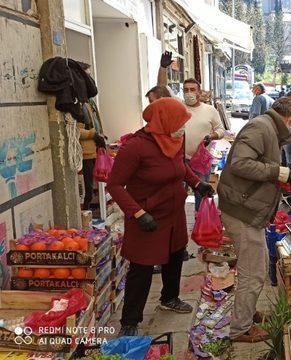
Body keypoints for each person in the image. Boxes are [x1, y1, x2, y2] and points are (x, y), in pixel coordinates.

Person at [106, 98, 214, 336]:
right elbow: (114, 185)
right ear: (163, 121)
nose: (182, 128)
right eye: (179, 122)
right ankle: (130, 321)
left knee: (175, 256)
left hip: (173, 212)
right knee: (142, 268)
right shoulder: (135, 147)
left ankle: (170, 298)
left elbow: (180, 165)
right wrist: (137, 213)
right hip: (147, 217)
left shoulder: (175, 138)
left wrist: (197, 183)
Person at [217, 98, 291, 343]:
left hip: (248, 209)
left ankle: (248, 311)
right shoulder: (261, 128)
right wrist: (278, 172)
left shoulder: (268, 128)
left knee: (258, 264)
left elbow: (260, 168)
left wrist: (283, 181)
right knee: (252, 272)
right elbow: (241, 164)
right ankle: (240, 329)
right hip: (242, 210)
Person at [182, 78, 225, 210]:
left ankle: (201, 223)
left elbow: (221, 130)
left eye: (192, 90)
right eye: (186, 90)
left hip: (200, 160)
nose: (189, 93)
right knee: (177, 194)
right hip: (179, 159)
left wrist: (211, 136)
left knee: (201, 193)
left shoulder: (210, 110)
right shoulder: (178, 107)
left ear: (199, 92)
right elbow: (163, 89)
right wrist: (163, 68)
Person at [76, 62, 106, 211]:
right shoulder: (77, 102)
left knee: (95, 185)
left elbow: (96, 123)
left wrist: (101, 136)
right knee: (86, 190)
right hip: (85, 153)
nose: (90, 80)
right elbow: (74, 131)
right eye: (86, 76)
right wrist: (93, 135)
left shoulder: (90, 101)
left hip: (95, 150)